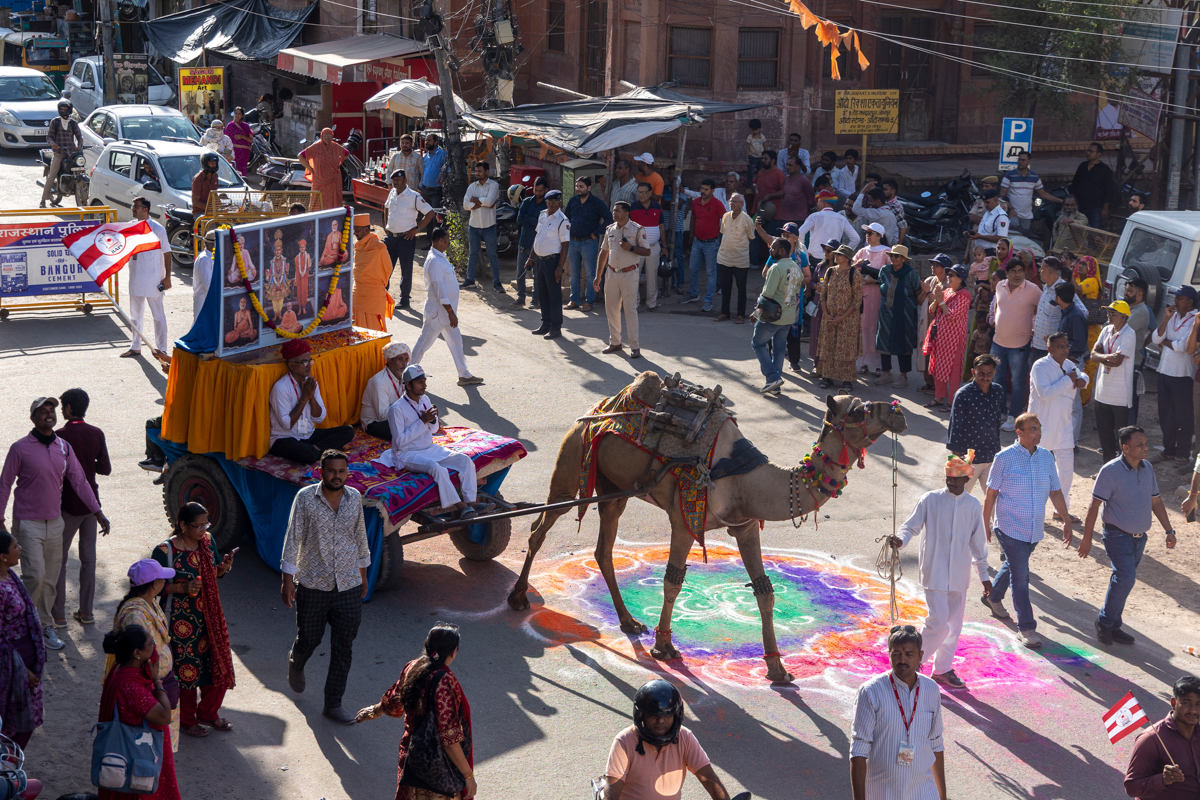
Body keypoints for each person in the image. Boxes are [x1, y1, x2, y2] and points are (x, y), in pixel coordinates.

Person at [1, 396, 108, 650]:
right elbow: (5, 483)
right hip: (28, 523)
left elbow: (80, 481)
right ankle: (23, 625)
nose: (49, 414)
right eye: (42, 411)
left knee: (50, 579)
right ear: (32, 418)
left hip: (55, 523)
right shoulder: (20, 448)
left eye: (51, 410)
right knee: (35, 576)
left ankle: (45, 626)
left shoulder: (64, 446)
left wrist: (98, 512)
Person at [281, 450, 369, 725]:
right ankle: (296, 660)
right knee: (310, 638)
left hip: (348, 584)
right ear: (321, 471)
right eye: (332, 471)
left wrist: (363, 575)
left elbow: (360, 536)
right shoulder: (305, 498)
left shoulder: (355, 498)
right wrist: (286, 579)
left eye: (342, 471)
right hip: (313, 583)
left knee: (344, 647)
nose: (337, 476)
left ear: (347, 472)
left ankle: (333, 703)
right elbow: (293, 538)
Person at [891, 454, 990, 689]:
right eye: (947, 479)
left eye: (955, 479)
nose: (950, 483)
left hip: (959, 575)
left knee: (954, 625)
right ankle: (911, 666)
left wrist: (984, 576)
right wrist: (900, 540)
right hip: (934, 572)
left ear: (967, 478)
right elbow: (910, 526)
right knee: (938, 622)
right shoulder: (930, 500)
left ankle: (942, 669)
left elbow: (978, 543)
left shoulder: (973, 505)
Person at [355, 623, 477, 800]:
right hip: (438, 766)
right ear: (454, 652)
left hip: (412, 758)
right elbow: (449, 738)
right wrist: (468, 775)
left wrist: (373, 711)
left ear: (426, 643)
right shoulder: (444, 681)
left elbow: (394, 701)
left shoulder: (412, 667)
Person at [983, 413, 1072, 648]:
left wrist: (1066, 519)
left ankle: (993, 597)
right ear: (1019, 432)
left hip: (1033, 529)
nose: (1038, 433)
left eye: (1039, 428)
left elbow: (1055, 491)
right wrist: (985, 523)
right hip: (1010, 527)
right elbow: (991, 493)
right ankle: (1027, 628)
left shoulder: (1046, 458)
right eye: (1033, 429)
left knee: (1014, 565)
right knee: (1021, 577)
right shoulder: (1004, 458)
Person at [1080, 426, 1173, 646]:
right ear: (1125, 447)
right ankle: (1104, 622)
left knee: (1124, 580)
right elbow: (1094, 506)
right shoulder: (1110, 471)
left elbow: (1156, 501)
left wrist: (1169, 530)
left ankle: (1113, 624)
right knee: (1125, 577)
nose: (1145, 448)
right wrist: (1086, 538)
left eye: (1146, 444)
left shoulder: (1147, 468)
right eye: (1139, 445)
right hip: (1116, 535)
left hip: (1140, 538)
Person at [151, 502, 235, 738]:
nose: (202, 530)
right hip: (180, 622)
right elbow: (151, 587)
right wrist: (182, 587)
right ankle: (187, 720)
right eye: (197, 526)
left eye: (205, 524)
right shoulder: (165, 552)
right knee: (187, 671)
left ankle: (208, 712)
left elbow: (215, 570)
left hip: (210, 616)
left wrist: (224, 568)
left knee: (217, 663)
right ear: (182, 525)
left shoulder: (207, 541)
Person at [850, 625, 947, 800]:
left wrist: (942, 796)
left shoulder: (931, 689)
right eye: (896, 654)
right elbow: (858, 750)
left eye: (909, 654)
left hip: (922, 791)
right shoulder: (871, 692)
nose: (902, 660)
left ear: (920, 656)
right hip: (882, 792)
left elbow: (936, 744)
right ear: (889, 655)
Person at [603, 679, 734, 800]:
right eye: (653, 715)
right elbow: (613, 790)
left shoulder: (685, 737)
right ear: (641, 716)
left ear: (676, 716)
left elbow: (710, 779)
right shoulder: (624, 741)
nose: (660, 720)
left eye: (667, 715)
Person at [97, 625, 180, 800]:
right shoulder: (132, 686)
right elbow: (164, 716)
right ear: (137, 653)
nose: (155, 648)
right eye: (151, 644)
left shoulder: (120, 668)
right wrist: (157, 681)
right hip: (136, 759)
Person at [387, 365, 481, 517]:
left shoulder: (425, 399)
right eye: (419, 382)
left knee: (464, 461)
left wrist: (432, 421)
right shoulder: (396, 409)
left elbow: (433, 430)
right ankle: (460, 506)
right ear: (408, 385)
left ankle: (472, 503)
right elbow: (399, 442)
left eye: (424, 381)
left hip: (428, 448)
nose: (424, 385)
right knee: (436, 468)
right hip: (406, 454)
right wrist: (422, 421)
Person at [52, 388, 110, 628]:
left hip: (67, 506)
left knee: (59, 560)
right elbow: (105, 468)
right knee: (89, 560)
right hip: (91, 505)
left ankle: (59, 616)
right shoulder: (96, 433)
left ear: (67, 408)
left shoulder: (59, 436)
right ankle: (86, 612)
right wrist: (87, 465)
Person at [107, 559, 177, 744]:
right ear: (155, 584)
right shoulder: (135, 615)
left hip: (157, 683)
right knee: (147, 748)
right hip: (147, 688)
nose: (165, 582)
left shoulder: (149, 602)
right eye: (162, 578)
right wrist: (155, 682)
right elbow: (136, 655)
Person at [411, 228, 483, 385]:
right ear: (439, 241)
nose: (449, 242)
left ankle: (464, 374)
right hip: (438, 313)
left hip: (446, 313)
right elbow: (439, 289)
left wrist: (450, 312)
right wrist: (450, 312)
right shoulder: (434, 261)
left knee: (456, 341)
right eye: (447, 239)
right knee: (423, 344)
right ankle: (407, 375)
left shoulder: (440, 258)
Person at [1029, 332, 1088, 521]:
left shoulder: (1069, 366)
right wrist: (1069, 379)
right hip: (1042, 428)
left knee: (1066, 471)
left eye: (1066, 346)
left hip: (1063, 427)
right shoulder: (1040, 366)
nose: (1065, 349)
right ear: (1049, 349)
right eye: (1060, 347)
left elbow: (1082, 374)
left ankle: (1061, 510)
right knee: (1037, 471)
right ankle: (1033, 510)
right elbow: (1045, 393)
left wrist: (1082, 380)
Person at [268, 338, 356, 463]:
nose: (309, 365)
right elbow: (287, 424)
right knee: (305, 453)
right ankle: (317, 451)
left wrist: (311, 397)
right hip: (285, 438)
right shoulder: (281, 387)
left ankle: (315, 450)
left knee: (347, 431)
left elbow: (320, 417)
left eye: (310, 361)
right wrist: (304, 398)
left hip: (308, 434)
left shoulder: (310, 383)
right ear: (292, 365)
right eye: (304, 362)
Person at [0, 531, 44, 750]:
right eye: (15, 546)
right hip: (10, 668)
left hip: (24, 662)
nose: (20, 549)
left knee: (25, 724)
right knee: (14, 727)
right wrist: (21, 671)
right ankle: (7, 773)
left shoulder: (10, 576)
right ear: (2, 556)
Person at [1123, 674, 1200, 798]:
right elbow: (1132, 788)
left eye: (1198, 704)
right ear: (1173, 703)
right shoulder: (1151, 739)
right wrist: (1162, 780)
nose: (1193, 710)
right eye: (1186, 703)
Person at [989, 259, 1041, 430]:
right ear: (1007, 273)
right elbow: (997, 307)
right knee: (997, 379)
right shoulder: (1000, 286)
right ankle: (1001, 412)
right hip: (997, 342)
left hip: (1020, 344)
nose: (1017, 274)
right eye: (1013, 271)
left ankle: (1014, 416)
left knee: (1018, 382)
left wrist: (1035, 327)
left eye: (1020, 270)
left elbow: (1044, 309)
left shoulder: (1033, 290)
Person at [595, 201, 650, 358]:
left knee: (630, 310)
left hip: (629, 273)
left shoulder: (638, 229)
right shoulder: (610, 229)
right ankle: (615, 342)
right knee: (611, 309)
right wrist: (598, 276)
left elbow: (646, 251)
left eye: (618, 211)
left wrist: (631, 248)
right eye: (614, 210)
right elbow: (604, 252)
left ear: (627, 213)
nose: (614, 213)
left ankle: (634, 346)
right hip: (611, 273)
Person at [1151, 287, 1198, 466]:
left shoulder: (1195, 319)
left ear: (1190, 301)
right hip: (1164, 371)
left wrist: (1166, 342)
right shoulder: (1173, 316)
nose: (1176, 301)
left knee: (1183, 416)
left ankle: (1183, 454)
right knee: (1166, 414)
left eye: (1180, 298)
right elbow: (1156, 339)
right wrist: (1166, 318)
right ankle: (1168, 450)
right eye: (1175, 297)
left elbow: (1183, 347)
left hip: (1183, 375)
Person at [120, 197, 172, 358]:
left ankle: (162, 348)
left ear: (145, 210)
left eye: (136, 207)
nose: (133, 209)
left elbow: (167, 253)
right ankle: (135, 346)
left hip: (153, 278)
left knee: (158, 315)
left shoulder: (157, 229)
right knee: (135, 315)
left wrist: (168, 277)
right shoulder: (131, 226)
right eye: (133, 206)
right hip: (135, 276)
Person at [947, 355, 1005, 497]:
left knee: (995, 501)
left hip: (991, 455)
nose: (985, 378)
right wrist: (956, 459)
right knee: (958, 498)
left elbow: (996, 422)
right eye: (981, 374)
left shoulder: (998, 391)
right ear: (973, 372)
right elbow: (955, 426)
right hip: (968, 458)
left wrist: (997, 450)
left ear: (994, 373)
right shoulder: (963, 395)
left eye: (989, 374)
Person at [752, 237, 803, 395]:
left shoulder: (776, 268)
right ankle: (776, 386)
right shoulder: (796, 267)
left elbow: (767, 295)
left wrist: (755, 312)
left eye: (773, 248)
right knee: (779, 350)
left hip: (773, 315)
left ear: (782, 250)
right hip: (789, 316)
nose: (770, 250)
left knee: (758, 344)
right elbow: (796, 291)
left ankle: (772, 377)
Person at [383, 169, 434, 310]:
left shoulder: (414, 196)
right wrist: (385, 224)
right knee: (385, 268)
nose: (396, 183)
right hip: (391, 237)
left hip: (406, 238)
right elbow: (386, 207)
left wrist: (417, 229)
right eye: (394, 181)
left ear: (405, 180)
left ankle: (405, 299)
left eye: (398, 181)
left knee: (406, 270)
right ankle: (383, 295)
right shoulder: (392, 192)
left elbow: (430, 213)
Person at [1092, 301, 1137, 462]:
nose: (1109, 316)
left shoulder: (1129, 334)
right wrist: (1107, 357)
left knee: (1122, 436)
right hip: (1102, 392)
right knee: (1104, 434)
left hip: (1119, 395)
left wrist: (1102, 357)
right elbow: (1093, 355)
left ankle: (1124, 467)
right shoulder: (1106, 330)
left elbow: (1117, 361)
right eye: (1108, 312)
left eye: (1113, 313)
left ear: (1124, 316)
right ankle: (1107, 467)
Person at [815, 245, 863, 393]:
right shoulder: (830, 271)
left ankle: (847, 380)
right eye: (836, 254)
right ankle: (827, 377)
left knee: (845, 348)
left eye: (839, 254)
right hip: (829, 317)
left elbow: (857, 301)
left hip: (848, 320)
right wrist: (826, 313)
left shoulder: (854, 274)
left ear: (847, 258)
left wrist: (842, 317)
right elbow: (823, 295)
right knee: (828, 346)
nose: (836, 256)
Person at [874, 245, 924, 389]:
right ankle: (886, 372)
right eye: (892, 256)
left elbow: (917, 293)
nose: (894, 258)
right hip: (885, 313)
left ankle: (903, 375)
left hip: (905, 314)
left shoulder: (911, 273)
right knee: (884, 340)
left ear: (903, 258)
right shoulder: (884, 271)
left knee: (904, 341)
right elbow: (881, 286)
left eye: (897, 256)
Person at [924, 265, 971, 411]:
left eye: (952, 275)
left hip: (955, 339)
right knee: (938, 366)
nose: (948, 277)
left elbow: (951, 315)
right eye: (948, 274)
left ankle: (952, 402)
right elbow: (932, 310)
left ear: (960, 279)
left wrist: (941, 301)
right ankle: (939, 397)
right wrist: (936, 299)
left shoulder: (964, 295)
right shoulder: (947, 291)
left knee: (954, 371)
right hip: (940, 337)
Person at [565, 177, 613, 311]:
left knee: (591, 273)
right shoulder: (573, 201)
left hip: (589, 242)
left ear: (589, 188)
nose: (578, 189)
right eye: (577, 186)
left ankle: (589, 302)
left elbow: (609, 218)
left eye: (581, 186)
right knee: (574, 274)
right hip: (573, 241)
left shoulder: (596, 203)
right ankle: (574, 300)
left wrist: (596, 233)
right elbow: (566, 218)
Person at [528, 190, 571, 340]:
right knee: (542, 293)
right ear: (546, 202)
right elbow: (537, 237)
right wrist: (531, 258)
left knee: (554, 295)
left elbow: (565, 245)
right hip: (540, 260)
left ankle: (556, 327)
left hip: (553, 261)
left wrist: (560, 267)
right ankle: (545, 324)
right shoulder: (542, 215)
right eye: (550, 201)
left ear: (559, 203)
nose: (552, 204)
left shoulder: (562, 220)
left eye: (555, 202)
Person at [679, 179, 726, 312]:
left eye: (706, 189)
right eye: (701, 189)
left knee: (711, 272)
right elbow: (693, 218)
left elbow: (725, 219)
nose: (702, 192)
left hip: (711, 243)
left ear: (712, 191)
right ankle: (693, 294)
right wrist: (691, 235)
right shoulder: (696, 202)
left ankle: (708, 300)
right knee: (693, 268)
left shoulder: (717, 204)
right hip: (697, 241)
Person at [713, 193, 756, 324]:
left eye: (735, 202)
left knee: (741, 288)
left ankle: (740, 315)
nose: (732, 204)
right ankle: (724, 313)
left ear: (742, 205)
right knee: (725, 288)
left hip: (740, 260)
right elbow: (722, 233)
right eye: (731, 201)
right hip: (724, 258)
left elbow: (751, 237)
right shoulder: (726, 216)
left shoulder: (747, 219)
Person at [853, 221, 889, 378]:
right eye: (866, 233)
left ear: (880, 236)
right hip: (862, 294)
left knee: (876, 328)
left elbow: (889, 276)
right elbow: (852, 268)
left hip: (878, 295)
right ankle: (862, 362)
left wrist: (873, 281)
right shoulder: (862, 252)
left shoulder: (887, 252)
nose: (867, 236)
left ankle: (878, 365)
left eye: (870, 233)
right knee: (862, 327)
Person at [462, 161, 501, 291]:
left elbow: (490, 202)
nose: (477, 173)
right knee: (473, 253)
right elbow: (465, 205)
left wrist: (476, 200)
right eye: (476, 171)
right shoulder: (472, 186)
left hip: (489, 226)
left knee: (492, 255)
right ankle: (470, 279)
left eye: (479, 171)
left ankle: (497, 283)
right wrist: (482, 203)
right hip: (474, 226)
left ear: (486, 172)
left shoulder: (494, 185)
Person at [999, 151, 1061, 234]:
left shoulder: (1034, 177)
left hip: (1027, 215)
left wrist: (1061, 201)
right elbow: (1002, 196)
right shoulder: (1009, 175)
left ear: (1029, 161)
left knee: (1024, 238)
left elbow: (1043, 194)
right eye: (1019, 160)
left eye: (1023, 160)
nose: (1020, 162)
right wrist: (1011, 209)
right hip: (1013, 214)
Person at [351, 213, 394, 332]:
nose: (355, 233)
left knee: (375, 331)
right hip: (358, 293)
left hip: (374, 294)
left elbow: (388, 268)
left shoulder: (379, 248)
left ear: (366, 229)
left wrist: (377, 282)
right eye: (354, 230)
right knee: (357, 330)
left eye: (358, 230)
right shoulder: (357, 246)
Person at [360, 341, 412, 440]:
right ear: (390, 361)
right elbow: (383, 416)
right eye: (400, 359)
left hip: (399, 416)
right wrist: (411, 415)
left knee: (431, 408)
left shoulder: (404, 376)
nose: (404, 363)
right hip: (376, 423)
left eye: (406, 359)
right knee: (394, 428)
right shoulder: (379, 382)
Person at [40, 99, 84, 208]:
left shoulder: (73, 123)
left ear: (69, 110)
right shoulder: (55, 122)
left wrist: (80, 146)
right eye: (62, 109)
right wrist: (53, 143)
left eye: (65, 109)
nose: (64, 111)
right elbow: (49, 137)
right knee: (52, 175)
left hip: (71, 153)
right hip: (59, 153)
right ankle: (43, 200)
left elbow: (79, 136)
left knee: (81, 170)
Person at [630, 182, 665, 312]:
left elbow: (661, 227)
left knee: (652, 276)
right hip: (637, 247)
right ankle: (635, 303)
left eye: (644, 192)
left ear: (650, 193)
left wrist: (665, 246)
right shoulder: (632, 208)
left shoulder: (657, 207)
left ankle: (652, 303)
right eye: (639, 192)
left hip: (653, 247)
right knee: (634, 275)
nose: (641, 195)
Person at [798, 189, 859, 262]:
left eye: (818, 202)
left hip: (815, 257)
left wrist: (803, 251)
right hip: (833, 259)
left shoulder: (814, 216)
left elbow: (800, 233)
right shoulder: (841, 219)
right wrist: (843, 253)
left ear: (823, 202)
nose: (817, 204)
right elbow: (856, 239)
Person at [515, 177, 548, 307]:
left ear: (545, 190)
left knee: (537, 275)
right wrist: (534, 220)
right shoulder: (527, 202)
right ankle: (521, 297)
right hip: (525, 242)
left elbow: (542, 224)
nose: (538, 193)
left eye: (540, 191)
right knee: (520, 272)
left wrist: (529, 219)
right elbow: (519, 219)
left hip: (539, 245)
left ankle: (535, 300)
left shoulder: (547, 205)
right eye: (536, 190)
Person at [1124, 278, 1153, 425]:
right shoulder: (1128, 308)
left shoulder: (1141, 311)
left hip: (1132, 365)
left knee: (1128, 405)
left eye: (1130, 291)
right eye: (1126, 289)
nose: (1125, 293)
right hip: (1122, 363)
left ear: (1140, 295)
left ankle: (1126, 440)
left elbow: (1118, 330)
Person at [300, 128, 348, 211]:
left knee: (334, 202)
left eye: (329, 136)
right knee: (316, 202)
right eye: (325, 136)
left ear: (332, 136)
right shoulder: (315, 147)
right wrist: (310, 169)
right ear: (322, 136)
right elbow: (300, 156)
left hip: (334, 180)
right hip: (319, 180)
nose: (327, 138)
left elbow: (347, 154)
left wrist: (338, 162)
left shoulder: (336, 147)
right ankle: (315, 221)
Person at [1069, 142, 1115, 228]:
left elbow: (1108, 190)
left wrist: (1105, 209)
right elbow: (1075, 184)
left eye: (1091, 151)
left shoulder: (1104, 169)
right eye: (1087, 151)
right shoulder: (1083, 166)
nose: (1088, 153)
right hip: (1081, 205)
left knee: (1094, 232)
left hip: (1096, 207)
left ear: (1098, 154)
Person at [777, 155, 815, 228]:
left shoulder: (804, 181)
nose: (787, 167)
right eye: (787, 165)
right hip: (784, 218)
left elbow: (811, 201)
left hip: (798, 219)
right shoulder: (785, 180)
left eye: (790, 165)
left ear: (798, 167)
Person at [192, 230, 215, 321]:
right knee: (200, 326)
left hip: (208, 299)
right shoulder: (204, 259)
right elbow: (207, 285)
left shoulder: (211, 257)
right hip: (203, 299)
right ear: (213, 244)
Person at [224, 107, 253, 176]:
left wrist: (242, 136)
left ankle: (244, 181)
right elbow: (225, 140)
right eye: (236, 113)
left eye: (239, 114)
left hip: (244, 152)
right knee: (234, 167)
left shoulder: (246, 126)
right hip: (233, 151)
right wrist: (226, 153)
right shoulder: (230, 126)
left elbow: (250, 140)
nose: (237, 115)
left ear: (242, 116)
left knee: (243, 167)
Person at [420, 134, 446, 209]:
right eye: (426, 140)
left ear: (435, 142)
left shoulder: (442, 154)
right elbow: (424, 171)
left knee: (436, 215)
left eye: (429, 140)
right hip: (425, 190)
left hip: (436, 192)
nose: (427, 142)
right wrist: (421, 187)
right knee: (426, 213)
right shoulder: (426, 156)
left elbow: (448, 168)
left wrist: (442, 176)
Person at [191, 151, 220, 219]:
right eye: (211, 163)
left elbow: (214, 194)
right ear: (205, 164)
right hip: (200, 213)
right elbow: (195, 202)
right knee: (211, 225)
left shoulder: (215, 176)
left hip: (212, 212)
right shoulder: (198, 178)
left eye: (215, 163)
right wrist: (211, 208)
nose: (214, 165)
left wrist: (219, 203)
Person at [294, 235, 313, 318]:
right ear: (299, 249)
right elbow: (296, 270)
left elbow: (308, 266)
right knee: (299, 293)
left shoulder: (307, 256)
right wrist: (295, 278)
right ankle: (299, 308)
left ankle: (304, 307)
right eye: (301, 247)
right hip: (299, 278)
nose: (302, 249)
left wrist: (309, 262)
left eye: (303, 247)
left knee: (304, 292)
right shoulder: (296, 258)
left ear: (305, 248)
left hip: (304, 277)